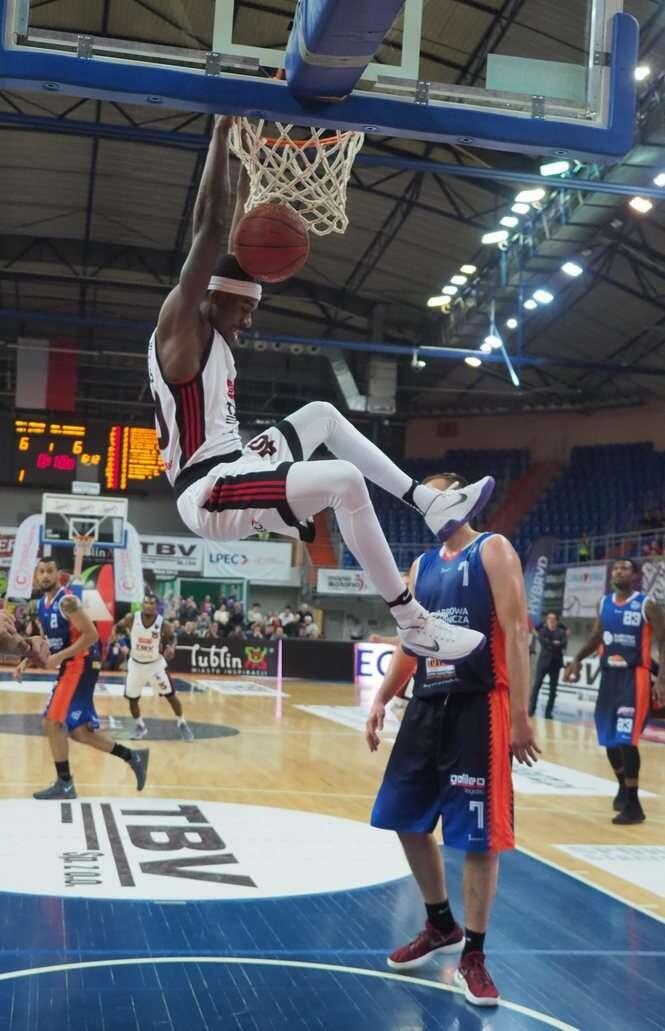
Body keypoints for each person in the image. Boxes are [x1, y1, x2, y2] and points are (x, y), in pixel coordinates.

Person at [147, 115, 495, 663]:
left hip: (237, 466)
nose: (250, 322)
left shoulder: (210, 327)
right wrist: (221, 134)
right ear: (213, 297)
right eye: (245, 309)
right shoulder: (181, 331)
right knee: (345, 480)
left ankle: (427, 502)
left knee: (323, 414)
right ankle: (413, 622)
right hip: (209, 492)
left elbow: (228, 242)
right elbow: (209, 229)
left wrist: (244, 157)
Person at [365, 473, 540, 1008]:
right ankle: (440, 922)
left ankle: (475, 956)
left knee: (479, 838)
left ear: (462, 496)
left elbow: (517, 629)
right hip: (426, 705)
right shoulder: (420, 567)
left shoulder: (493, 549)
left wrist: (520, 715)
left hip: (478, 705)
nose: (428, 507)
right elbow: (411, 643)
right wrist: (382, 697)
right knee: (402, 816)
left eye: (436, 495)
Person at [31, 557, 149, 800]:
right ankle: (132, 756)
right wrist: (26, 661)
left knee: (52, 721)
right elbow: (49, 641)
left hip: (81, 664)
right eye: (41, 571)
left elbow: (92, 635)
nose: (45, 576)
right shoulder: (41, 604)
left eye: (50, 571)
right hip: (71, 665)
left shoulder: (68, 601)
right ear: (36, 576)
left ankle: (65, 783)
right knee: (79, 732)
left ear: (58, 574)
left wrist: (58, 657)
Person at [564, 558, 665, 824]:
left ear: (635, 575)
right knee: (609, 740)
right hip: (609, 677)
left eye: (625, 568)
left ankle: (634, 804)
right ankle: (623, 787)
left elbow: (663, 641)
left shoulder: (647, 605)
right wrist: (577, 659)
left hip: (635, 677)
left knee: (626, 739)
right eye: (616, 568)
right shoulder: (604, 603)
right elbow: (597, 637)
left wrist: (661, 679)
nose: (619, 571)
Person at [114, 594, 194, 742]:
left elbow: (173, 637)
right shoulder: (132, 618)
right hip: (136, 665)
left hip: (155, 666)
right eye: (146, 603)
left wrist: (171, 647)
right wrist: (122, 644)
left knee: (171, 696)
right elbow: (117, 628)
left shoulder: (163, 623)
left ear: (156, 606)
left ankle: (182, 723)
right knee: (132, 700)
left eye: (152, 603)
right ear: (142, 604)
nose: (149, 606)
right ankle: (140, 726)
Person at [528, 612, 568, 719]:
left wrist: (552, 643)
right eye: (549, 618)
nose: (551, 620)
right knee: (536, 686)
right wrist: (554, 643)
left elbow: (563, 644)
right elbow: (543, 642)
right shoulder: (543, 631)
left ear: (557, 621)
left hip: (556, 663)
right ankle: (531, 709)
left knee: (553, 689)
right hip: (543, 663)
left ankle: (548, 712)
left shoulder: (561, 632)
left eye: (553, 619)